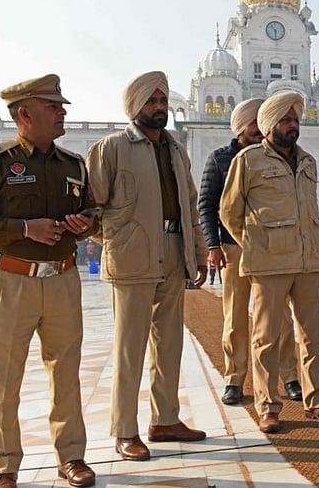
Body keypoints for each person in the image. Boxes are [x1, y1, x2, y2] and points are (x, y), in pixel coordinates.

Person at [0, 74, 96, 488]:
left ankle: (71, 456)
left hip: (63, 282)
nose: (62, 112)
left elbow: (92, 213)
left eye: (61, 106)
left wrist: (84, 223)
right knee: (3, 376)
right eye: (54, 107)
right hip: (13, 282)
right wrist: (23, 229)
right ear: (25, 114)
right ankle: (5, 464)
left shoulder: (73, 165)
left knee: (66, 373)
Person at [87, 71, 209, 462]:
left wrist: (199, 252)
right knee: (130, 347)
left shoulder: (176, 151)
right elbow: (91, 208)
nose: (159, 108)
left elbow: (190, 205)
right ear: (134, 106)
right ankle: (125, 430)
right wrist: (117, 243)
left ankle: (165, 419)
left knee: (170, 342)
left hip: (174, 250)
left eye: (163, 101)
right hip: (132, 258)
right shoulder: (111, 148)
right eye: (151, 102)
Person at [220, 91, 319, 433]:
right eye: (286, 120)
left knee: (312, 336)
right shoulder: (248, 161)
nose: (293, 126)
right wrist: (255, 243)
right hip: (269, 263)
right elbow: (229, 211)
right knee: (266, 338)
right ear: (269, 123)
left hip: (307, 261)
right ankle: (268, 406)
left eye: (296, 120)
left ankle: (318, 401)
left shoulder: (308, 161)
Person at [198, 97, 303, 406]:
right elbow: (207, 205)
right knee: (234, 316)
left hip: (271, 249)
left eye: (263, 122)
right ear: (240, 126)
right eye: (254, 123)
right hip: (234, 249)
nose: (259, 129)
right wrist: (213, 244)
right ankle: (234, 377)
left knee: (280, 315)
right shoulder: (220, 159)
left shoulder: (277, 156)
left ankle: (290, 376)